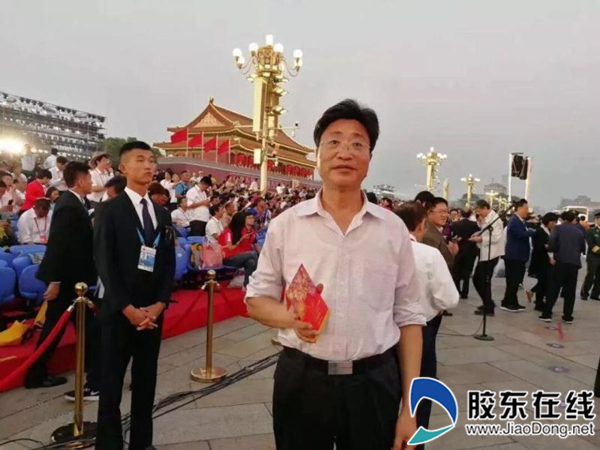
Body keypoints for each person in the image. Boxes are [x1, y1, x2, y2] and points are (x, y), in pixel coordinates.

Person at [246, 99, 425, 450]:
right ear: (317, 155)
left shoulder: (392, 230)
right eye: (334, 142)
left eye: (358, 144)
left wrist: (410, 409)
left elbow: (409, 318)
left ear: (369, 160)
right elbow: (256, 300)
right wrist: (289, 317)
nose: (345, 152)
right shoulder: (287, 225)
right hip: (302, 380)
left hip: (373, 383)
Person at [95, 141, 175, 450]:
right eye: (140, 160)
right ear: (124, 167)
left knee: (145, 383)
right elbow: (105, 263)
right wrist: (127, 308)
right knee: (111, 385)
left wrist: (160, 303)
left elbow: (167, 263)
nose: (148, 165)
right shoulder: (109, 210)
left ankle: (142, 442)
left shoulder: (161, 213)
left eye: (151, 160)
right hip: (120, 312)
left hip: (152, 314)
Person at [24, 162, 99, 393]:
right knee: (54, 328)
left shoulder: (79, 202)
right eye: (89, 178)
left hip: (76, 278)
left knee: (86, 325)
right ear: (80, 181)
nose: (91, 182)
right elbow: (58, 243)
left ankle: (93, 367)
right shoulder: (68, 205)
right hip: (65, 279)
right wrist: (55, 281)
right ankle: (35, 374)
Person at [395, 201, 458, 450]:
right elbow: (449, 299)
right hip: (422, 332)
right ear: (422, 224)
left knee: (386, 396)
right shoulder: (428, 254)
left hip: (384, 334)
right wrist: (434, 303)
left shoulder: (382, 250)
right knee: (419, 396)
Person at [540, 211, 586, 324]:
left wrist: (550, 251)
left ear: (561, 219)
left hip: (560, 261)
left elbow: (552, 243)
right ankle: (567, 316)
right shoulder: (579, 231)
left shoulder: (557, 228)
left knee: (553, 288)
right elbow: (582, 248)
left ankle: (547, 313)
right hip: (574, 263)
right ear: (573, 219)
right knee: (570, 291)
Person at [471, 200, 504, 316]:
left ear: (485, 208)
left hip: (491, 254)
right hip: (485, 253)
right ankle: (488, 302)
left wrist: (480, 239)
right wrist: (479, 233)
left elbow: (496, 237)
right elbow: (488, 233)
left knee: (483, 281)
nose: (479, 213)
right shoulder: (489, 219)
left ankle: (489, 307)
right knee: (477, 279)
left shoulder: (495, 220)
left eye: (479, 210)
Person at [502, 199, 535, 312]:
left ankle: (510, 301)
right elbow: (520, 234)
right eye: (526, 208)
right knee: (513, 281)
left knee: (515, 281)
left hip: (519, 256)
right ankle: (509, 303)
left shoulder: (521, 221)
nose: (527, 211)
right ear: (519, 208)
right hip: (514, 256)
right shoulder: (514, 221)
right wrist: (532, 232)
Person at [527, 212, 559, 312]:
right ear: (547, 221)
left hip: (547, 259)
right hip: (540, 260)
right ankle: (538, 302)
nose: (554, 224)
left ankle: (535, 296)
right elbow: (541, 246)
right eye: (553, 222)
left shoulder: (549, 230)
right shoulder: (540, 231)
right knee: (543, 281)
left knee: (545, 281)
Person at [218, 212, 258, 289]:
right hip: (227, 258)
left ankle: (246, 285)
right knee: (253, 253)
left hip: (236, 256)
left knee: (251, 262)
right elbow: (230, 248)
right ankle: (259, 279)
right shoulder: (227, 232)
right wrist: (240, 240)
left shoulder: (238, 231)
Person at [451, 208, 480, 299]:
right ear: (470, 214)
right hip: (470, 250)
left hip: (458, 249)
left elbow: (452, 236)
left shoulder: (455, 224)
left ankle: (457, 290)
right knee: (467, 272)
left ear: (460, 214)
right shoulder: (474, 224)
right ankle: (465, 292)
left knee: (456, 271)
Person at [580, 211, 600, 301]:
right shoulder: (591, 231)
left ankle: (595, 294)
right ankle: (584, 292)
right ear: (597, 219)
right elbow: (591, 245)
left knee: (599, 277)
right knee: (590, 275)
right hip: (593, 257)